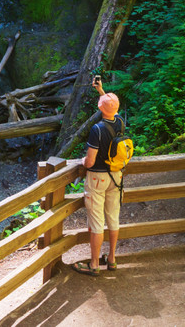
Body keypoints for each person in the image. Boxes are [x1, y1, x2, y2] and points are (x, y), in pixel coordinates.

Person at [72, 76, 124, 276]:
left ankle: (94, 263)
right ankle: (111, 259)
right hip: (116, 177)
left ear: (101, 109)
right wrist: (102, 91)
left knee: (96, 222)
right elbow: (111, 109)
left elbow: (90, 162)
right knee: (113, 218)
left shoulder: (97, 130)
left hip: (97, 179)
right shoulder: (120, 122)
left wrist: (81, 162)